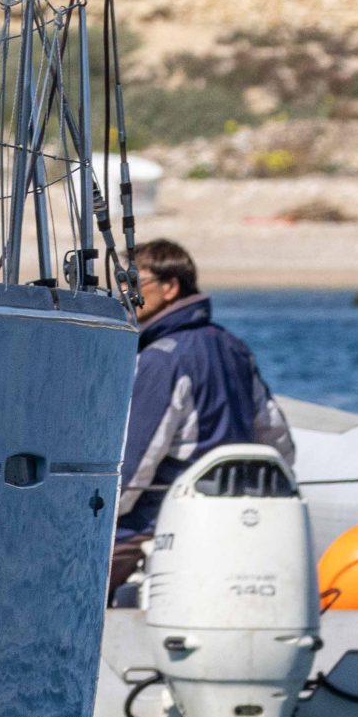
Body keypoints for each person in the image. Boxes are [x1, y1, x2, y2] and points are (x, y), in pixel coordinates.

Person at [109, 239, 296, 597]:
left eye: (134, 282)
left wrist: (96, 517)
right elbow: (276, 439)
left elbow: (134, 468)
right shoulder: (234, 346)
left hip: (163, 518)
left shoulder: (162, 360)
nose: (123, 293)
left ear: (170, 288)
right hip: (234, 510)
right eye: (121, 281)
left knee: (70, 566)